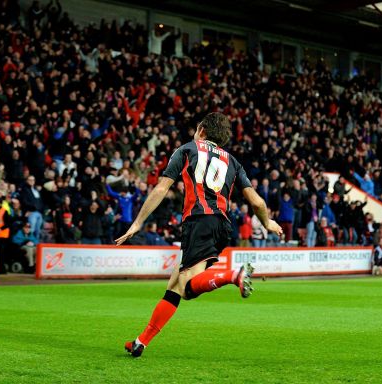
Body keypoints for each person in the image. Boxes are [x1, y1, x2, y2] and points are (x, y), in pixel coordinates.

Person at [116, 112, 283, 357]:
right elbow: (256, 202)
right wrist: (267, 222)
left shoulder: (186, 150)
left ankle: (233, 275)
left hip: (199, 222)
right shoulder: (233, 161)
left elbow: (162, 187)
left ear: (202, 130)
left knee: (187, 289)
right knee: (174, 285)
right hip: (223, 226)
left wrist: (138, 223)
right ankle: (141, 341)